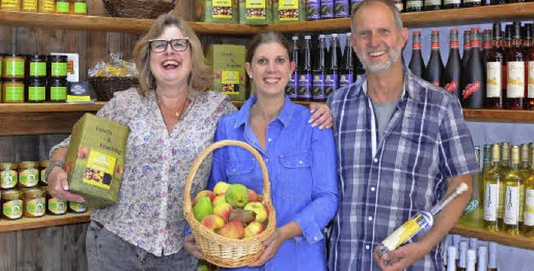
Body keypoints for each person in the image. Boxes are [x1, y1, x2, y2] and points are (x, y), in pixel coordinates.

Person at [45, 14, 333, 271]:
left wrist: (320, 109)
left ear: (192, 54)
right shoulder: (125, 105)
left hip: (180, 253)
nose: (169, 52)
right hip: (116, 246)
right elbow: (72, 145)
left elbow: (264, 112)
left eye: (179, 44)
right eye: (159, 45)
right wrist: (58, 168)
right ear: (149, 57)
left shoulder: (219, 110)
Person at [326, 1, 479, 271]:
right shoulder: (336, 105)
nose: (374, 42)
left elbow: (461, 187)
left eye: (384, 31)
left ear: (403, 36)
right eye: (364, 34)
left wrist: (424, 245)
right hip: (346, 263)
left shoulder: (440, 105)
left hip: (415, 265)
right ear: (353, 42)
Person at [183, 30, 340, 270]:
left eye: (280, 61)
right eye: (262, 61)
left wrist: (283, 233)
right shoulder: (228, 127)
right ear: (249, 70)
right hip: (241, 263)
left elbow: (328, 199)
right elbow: (213, 192)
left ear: (291, 68)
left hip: (299, 260)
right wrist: (194, 232)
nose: (271, 70)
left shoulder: (314, 125)